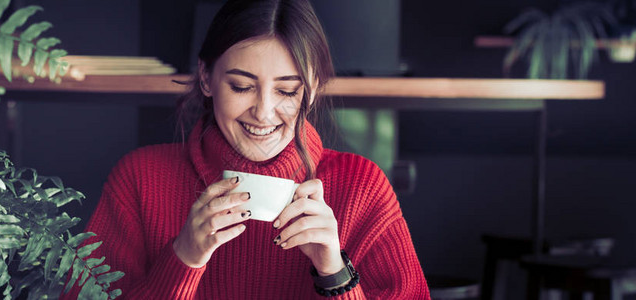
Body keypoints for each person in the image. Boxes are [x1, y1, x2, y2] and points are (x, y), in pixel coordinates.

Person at [64, 0, 429, 298]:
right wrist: (182, 259)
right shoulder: (141, 178)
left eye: (287, 90)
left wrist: (335, 273)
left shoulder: (361, 185)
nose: (263, 112)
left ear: (312, 89)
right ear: (206, 78)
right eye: (241, 86)